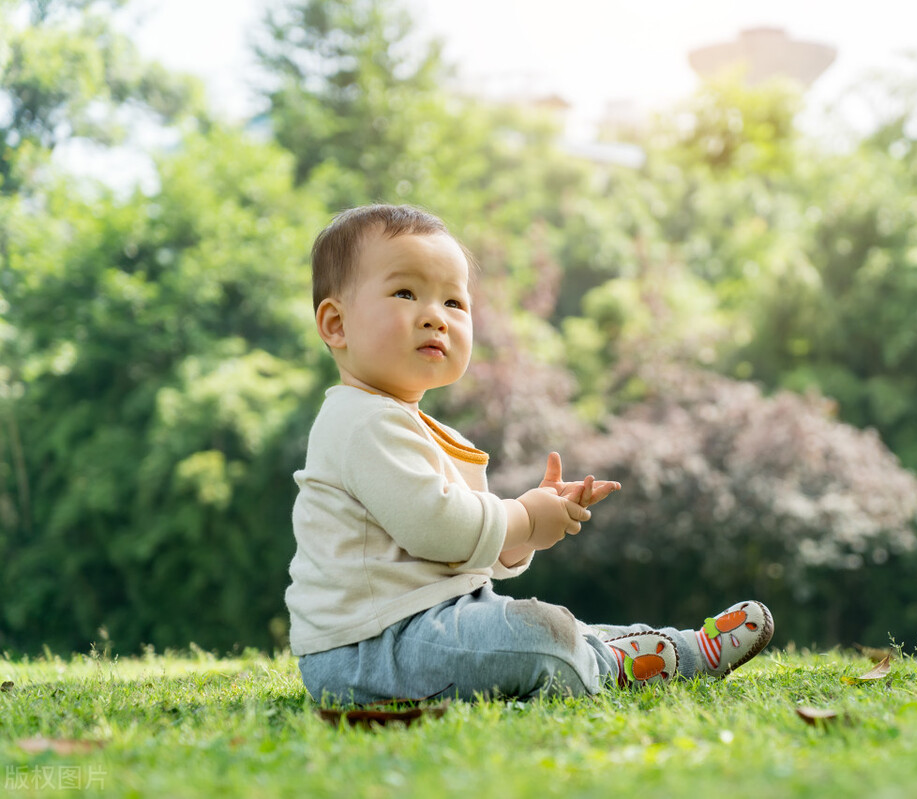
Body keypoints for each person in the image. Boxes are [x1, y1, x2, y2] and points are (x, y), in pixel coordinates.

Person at [285, 203, 774, 704]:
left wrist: (527, 531)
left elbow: (458, 551)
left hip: (422, 626)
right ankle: (631, 662)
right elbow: (436, 527)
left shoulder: (404, 424)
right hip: (369, 649)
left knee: (552, 626)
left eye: (454, 302)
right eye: (406, 293)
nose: (435, 316)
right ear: (336, 325)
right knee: (539, 635)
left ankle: (670, 648)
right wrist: (521, 516)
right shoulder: (361, 421)